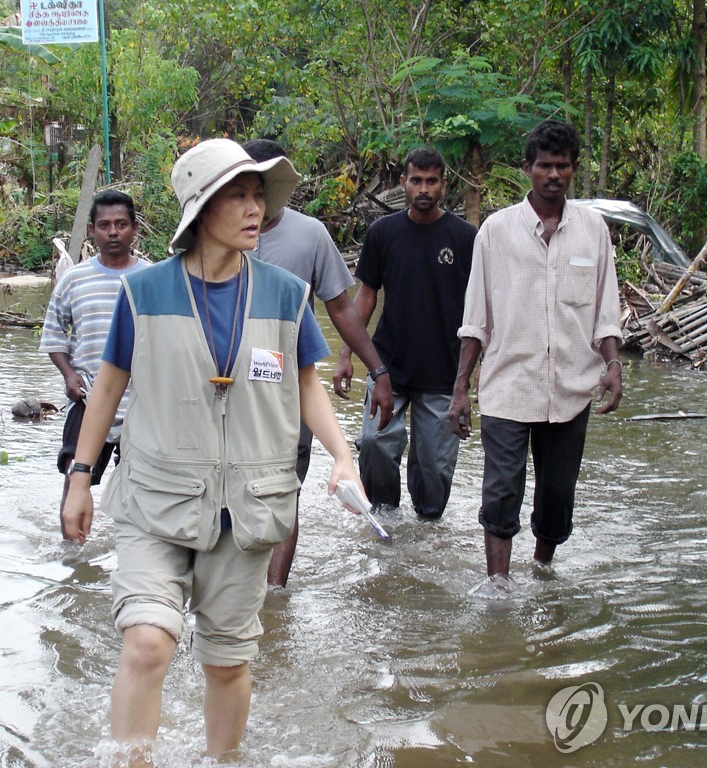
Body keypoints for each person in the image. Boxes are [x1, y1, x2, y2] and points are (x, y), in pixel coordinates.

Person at [60, 139, 366, 764]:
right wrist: (80, 478)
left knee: (228, 662)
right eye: (239, 195)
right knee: (148, 642)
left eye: (260, 196)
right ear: (201, 209)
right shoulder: (144, 292)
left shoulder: (284, 294)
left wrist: (342, 454)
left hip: (247, 509)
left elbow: (306, 382)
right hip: (155, 497)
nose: (256, 209)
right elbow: (108, 386)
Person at [447, 119, 623, 587]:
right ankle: (499, 585)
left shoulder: (593, 232)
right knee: (502, 489)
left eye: (562, 166)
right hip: (507, 384)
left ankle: (543, 570)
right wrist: (460, 389)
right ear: (527, 168)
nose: (553, 175)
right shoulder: (495, 232)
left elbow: (605, 310)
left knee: (557, 495)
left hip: (570, 387)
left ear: (573, 170)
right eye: (544, 166)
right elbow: (475, 320)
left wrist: (613, 365)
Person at [241, 138, 394, 588]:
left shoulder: (310, 235)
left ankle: (273, 595)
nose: (255, 199)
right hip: (225, 387)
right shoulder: (211, 238)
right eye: (245, 186)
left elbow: (341, 308)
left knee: (285, 490)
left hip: (289, 383)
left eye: (265, 185)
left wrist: (377, 370)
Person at [334, 147, 476, 519]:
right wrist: (347, 355)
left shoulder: (464, 238)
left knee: (434, 471)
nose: (424, 189)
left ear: (444, 184)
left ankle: (425, 534)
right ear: (403, 183)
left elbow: (479, 311)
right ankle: (385, 521)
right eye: (416, 181)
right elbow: (365, 297)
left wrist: (471, 378)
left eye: (432, 181)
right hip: (388, 365)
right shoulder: (384, 232)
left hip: (443, 372)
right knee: (374, 443)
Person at [39, 189, 148, 536]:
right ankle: (72, 558)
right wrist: (69, 375)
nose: (112, 232)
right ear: (91, 231)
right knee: (75, 477)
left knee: (144, 488)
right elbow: (54, 333)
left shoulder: (152, 279)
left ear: (134, 229)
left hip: (142, 404)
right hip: (88, 398)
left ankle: (134, 554)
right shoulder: (75, 279)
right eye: (104, 225)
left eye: (121, 224)